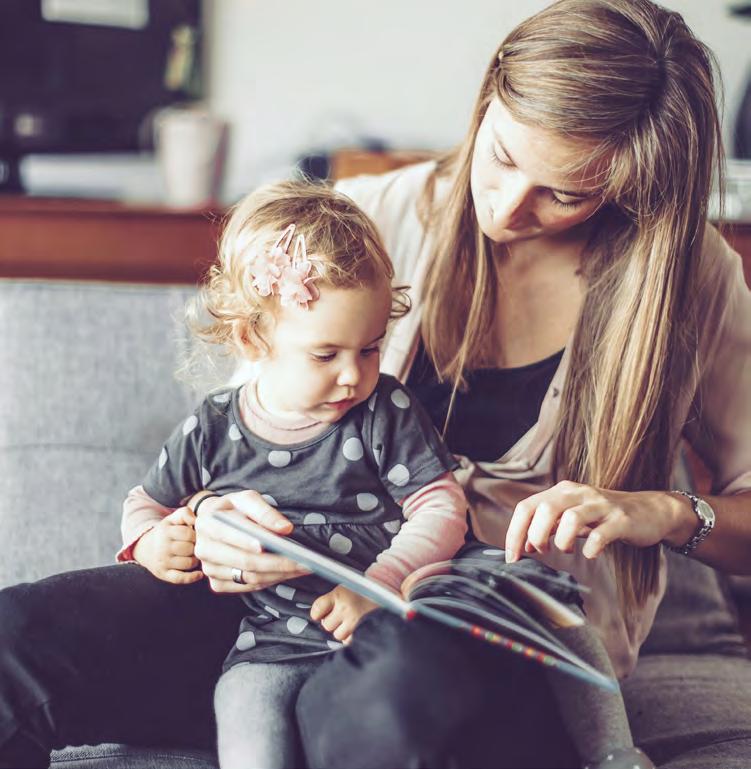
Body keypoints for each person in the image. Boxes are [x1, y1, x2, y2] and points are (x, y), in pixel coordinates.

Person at [0, 0, 749, 767]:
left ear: (636, 183)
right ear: (486, 99)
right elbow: (246, 435)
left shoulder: (691, 285)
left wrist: (656, 510)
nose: (507, 205)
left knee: (393, 697)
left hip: (470, 633)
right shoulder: (364, 223)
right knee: (18, 640)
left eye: (565, 192)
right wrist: (213, 520)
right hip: (270, 617)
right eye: (500, 156)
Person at [123, 179, 647, 769]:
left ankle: (614, 753)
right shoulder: (214, 426)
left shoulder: (383, 409)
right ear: (252, 338)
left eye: (370, 349)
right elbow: (146, 500)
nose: (354, 375)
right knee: (241, 699)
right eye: (327, 355)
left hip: (397, 605)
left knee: (550, 605)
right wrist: (149, 540)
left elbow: (442, 507)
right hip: (279, 636)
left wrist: (381, 583)